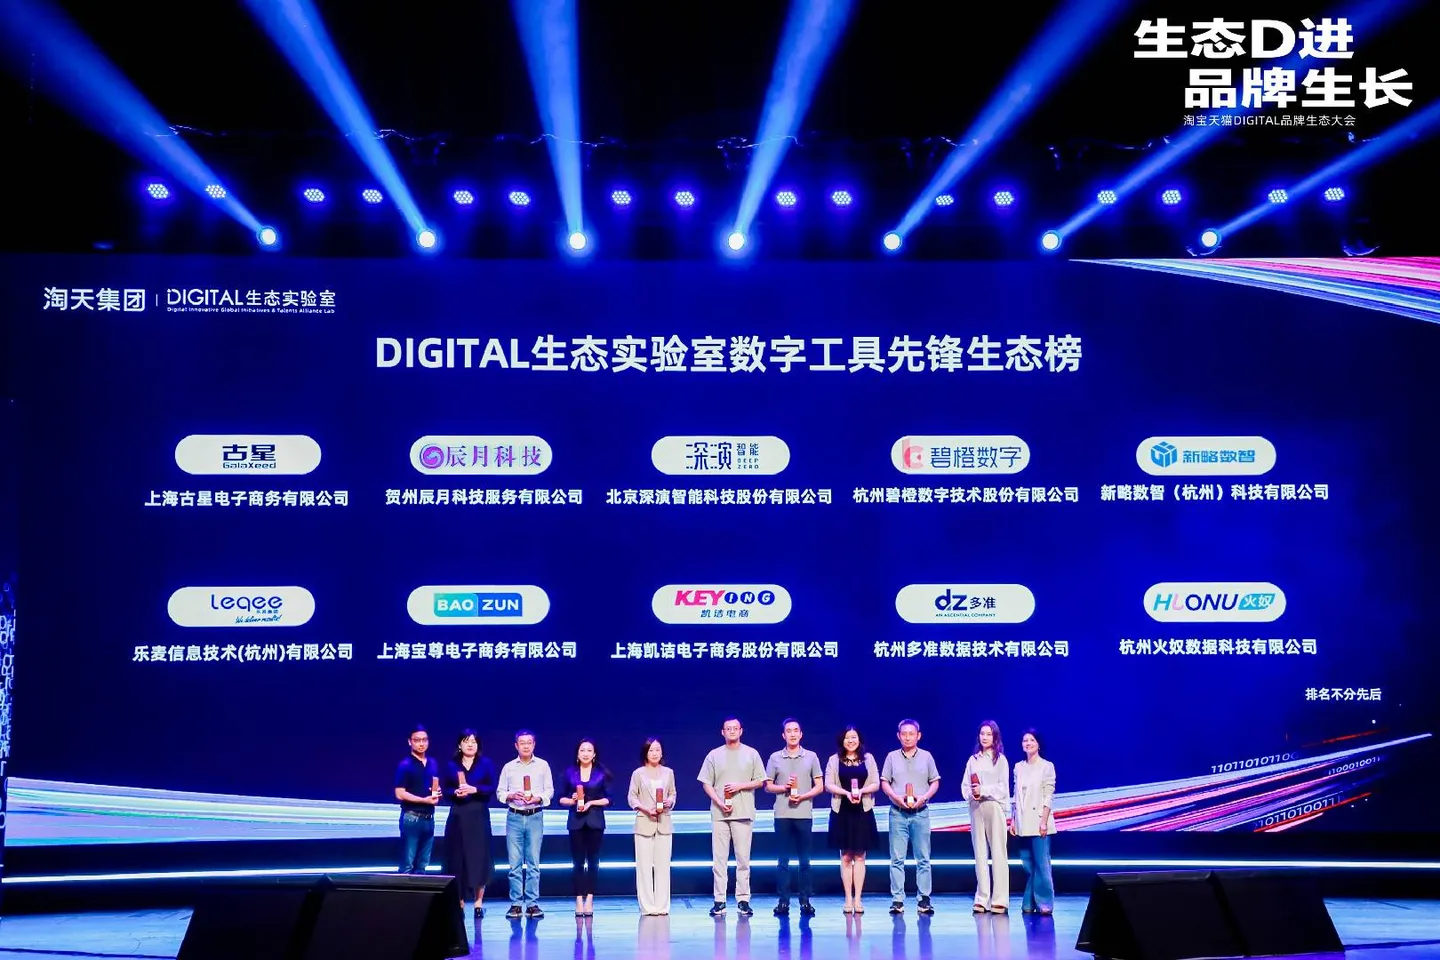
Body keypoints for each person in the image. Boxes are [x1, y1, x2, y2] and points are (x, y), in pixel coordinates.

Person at [697, 716, 766, 917]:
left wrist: (740, 786)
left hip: (743, 813)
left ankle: (743, 900)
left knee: (743, 859)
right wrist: (719, 802)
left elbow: (761, 781)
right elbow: (706, 783)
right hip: (720, 814)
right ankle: (719, 900)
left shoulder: (751, 753)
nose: (732, 731)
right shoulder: (714, 755)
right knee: (719, 860)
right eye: (728, 728)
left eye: (735, 728)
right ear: (723, 732)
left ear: (741, 731)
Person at [763, 717, 824, 917]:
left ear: (801, 734)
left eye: (796, 730)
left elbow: (820, 786)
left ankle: (805, 900)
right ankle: (783, 901)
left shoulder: (811, 757)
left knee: (805, 861)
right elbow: (767, 786)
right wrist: (784, 788)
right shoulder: (775, 757)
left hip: (804, 814)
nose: (792, 734)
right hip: (782, 815)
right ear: (783, 735)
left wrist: (803, 797)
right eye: (788, 731)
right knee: (783, 861)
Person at [880, 718, 940, 915]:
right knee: (897, 859)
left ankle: (924, 899)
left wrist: (924, 797)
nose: (907, 737)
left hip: (920, 813)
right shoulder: (891, 757)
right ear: (898, 736)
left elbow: (935, 782)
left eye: (911, 734)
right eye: (904, 734)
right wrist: (895, 797)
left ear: (918, 736)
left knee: (923, 858)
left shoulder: (926, 756)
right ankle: (897, 900)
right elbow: (884, 782)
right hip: (898, 813)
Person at [497, 729, 554, 919]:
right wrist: (511, 795)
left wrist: (538, 798)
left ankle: (532, 904)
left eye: (529, 742)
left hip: (535, 816)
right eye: (522, 743)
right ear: (516, 746)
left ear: (534, 744)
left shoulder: (543, 765)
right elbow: (500, 792)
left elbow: (549, 791)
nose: (526, 746)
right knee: (514, 863)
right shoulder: (508, 767)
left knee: (533, 862)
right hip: (514, 816)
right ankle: (515, 903)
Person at [824, 725, 880, 915]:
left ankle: (858, 899)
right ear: (842, 740)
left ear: (859, 739)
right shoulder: (834, 760)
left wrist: (861, 791)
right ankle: (848, 898)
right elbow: (828, 784)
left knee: (860, 856)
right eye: (847, 737)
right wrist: (846, 793)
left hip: (862, 810)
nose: (851, 740)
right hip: (842, 811)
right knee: (846, 856)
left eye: (854, 737)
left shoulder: (868, 758)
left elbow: (876, 783)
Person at [443, 729, 496, 917]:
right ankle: (459, 902)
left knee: (479, 858)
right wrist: (454, 792)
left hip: (478, 815)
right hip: (458, 815)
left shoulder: (485, 763)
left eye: (473, 741)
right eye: (466, 741)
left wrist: (475, 789)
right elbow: (445, 789)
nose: (470, 744)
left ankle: (478, 903)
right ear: (460, 745)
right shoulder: (451, 765)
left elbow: (492, 787)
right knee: (458, 859)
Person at [558, 738, 611, 917]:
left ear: (594, 754)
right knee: (578, 862)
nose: (586, 754)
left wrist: (591, 803)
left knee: (593, 862)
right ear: (577, 754)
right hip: (576, 822)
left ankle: (590, 898)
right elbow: (561, 799)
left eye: (589, 750)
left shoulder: (601, 774)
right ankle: (578, 899)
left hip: (595, 821)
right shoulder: (569, 773)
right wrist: (572, 800)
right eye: (582, 750)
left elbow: (609, 799)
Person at [964, 719, 1011, 914]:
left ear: (995, 737)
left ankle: (1000, 899)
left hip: (994, 806)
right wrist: (972, 793)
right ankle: (982, 898)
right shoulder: (973, 760)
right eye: (982, 734)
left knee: (998, 852)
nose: (985, 737)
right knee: (980, 853)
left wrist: (983, 790)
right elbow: (965, 786)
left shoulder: (1000, 760)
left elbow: (1003, 788)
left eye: (989, 734)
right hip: (976, 808)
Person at [628, 737, 677, 916]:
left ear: (662, 752)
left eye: (657, 750)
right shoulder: (638, 774)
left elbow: (673, 793)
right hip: (644, 822)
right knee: (644, 867)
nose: (655, 753)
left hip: (664, 822)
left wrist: (669, 801)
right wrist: (644, 808)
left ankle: (662, 906)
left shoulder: (669, 773)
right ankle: (647, 907)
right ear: (645, 753)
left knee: (663, 866)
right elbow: (632, 797)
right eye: (651, 750)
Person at [1010, 728, 1056, 916]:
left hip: (1039, 821)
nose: (1028, 743)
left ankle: (1045, 901)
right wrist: (1013, 820)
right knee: (1028, 865)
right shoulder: (1018, 767)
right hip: (1022, 822)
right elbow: (1015, 796)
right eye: (1025, 740)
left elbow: (1048, 795)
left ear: (1038, 744)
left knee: (1041, 864)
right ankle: (1029, 901)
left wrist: (1044, 821)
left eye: (1032, 740)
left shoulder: (1047, 766)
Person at [394, 724, 442, 874]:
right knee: (407, 865)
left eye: (424, 740)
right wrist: (424, 800)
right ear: (410, 742)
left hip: (429, 819)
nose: (421, 743)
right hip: (412, 818)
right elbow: (399, 793)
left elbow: (432, 786)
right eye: (417, 740)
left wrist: (437, 792)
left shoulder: (433, 763)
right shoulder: (405, 765)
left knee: (422, 865)